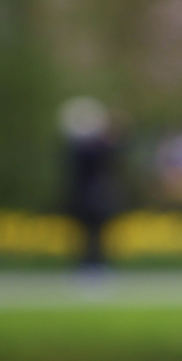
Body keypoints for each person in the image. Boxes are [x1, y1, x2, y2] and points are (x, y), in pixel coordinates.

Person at [60, 97, 119, 274]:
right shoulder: (79, 149)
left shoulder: (99, 148)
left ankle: (97, 264)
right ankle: (86, 264)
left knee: (97, 234)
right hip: (84, 198)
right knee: (84, 234)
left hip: (97, 197)